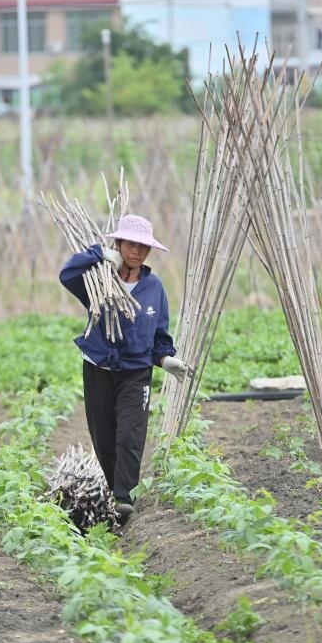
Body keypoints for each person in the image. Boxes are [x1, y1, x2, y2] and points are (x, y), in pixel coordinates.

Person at [58, 214, 191, 526]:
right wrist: (97, 254)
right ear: (117, 244)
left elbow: (159, 337)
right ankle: (116, 492)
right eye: (130, 244)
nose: (137, 251)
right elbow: (66, 275)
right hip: (98, 368)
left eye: (143, 246)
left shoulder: (154, 288)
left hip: (136, 371)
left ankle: (124, 499)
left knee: (130, 433)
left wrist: (166, 359)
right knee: (104, 437)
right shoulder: (97, 279)